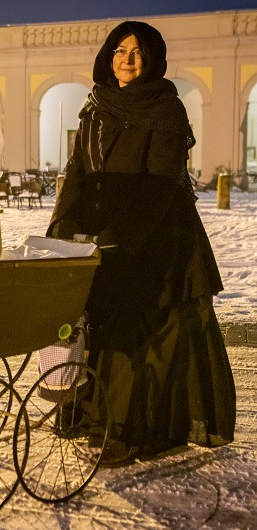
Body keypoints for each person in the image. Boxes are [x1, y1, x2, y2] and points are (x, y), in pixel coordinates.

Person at [47, 21, 236, 466]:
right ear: (107, 56)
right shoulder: (94, 106)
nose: (127, 59)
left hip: (158, 240)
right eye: (119, 49)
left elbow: (160, 184)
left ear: (151, 59)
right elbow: (78, 172)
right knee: (99, 327)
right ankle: (93, 417)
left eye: (137, 51)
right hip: (102, 234)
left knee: (143, 337)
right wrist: (62, 222)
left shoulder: (166, 109)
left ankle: (134, 431)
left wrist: (121, 239)